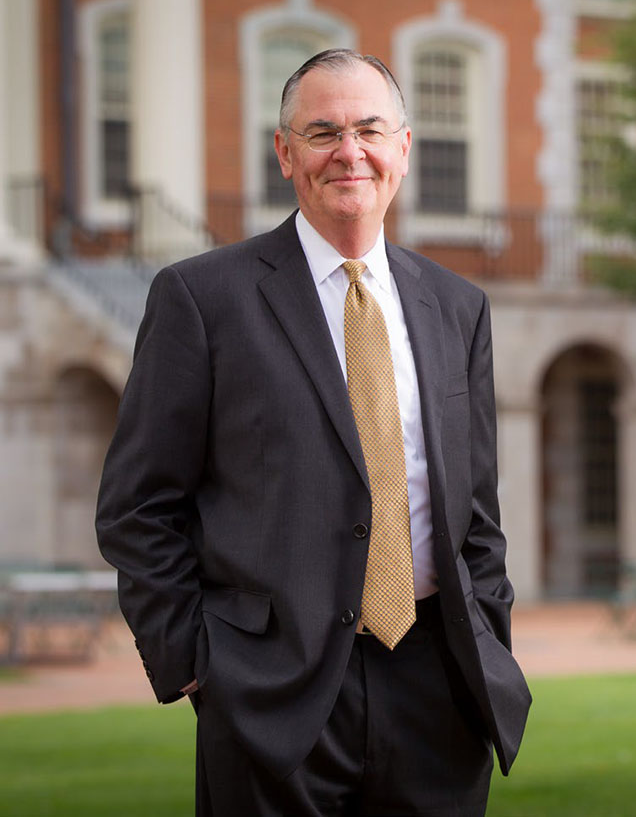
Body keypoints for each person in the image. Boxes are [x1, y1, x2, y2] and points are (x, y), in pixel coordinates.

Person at [96, 49, 531, 816]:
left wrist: (489, 633)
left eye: (369, 130)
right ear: (285, 152)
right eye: (323, 131)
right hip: (271, 694)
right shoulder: (203, 299)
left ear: (403, 146)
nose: (349, 152)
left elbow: (477, 516)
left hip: (440, 685)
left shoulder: (458, 308)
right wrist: (197, 664)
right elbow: (138, 505)